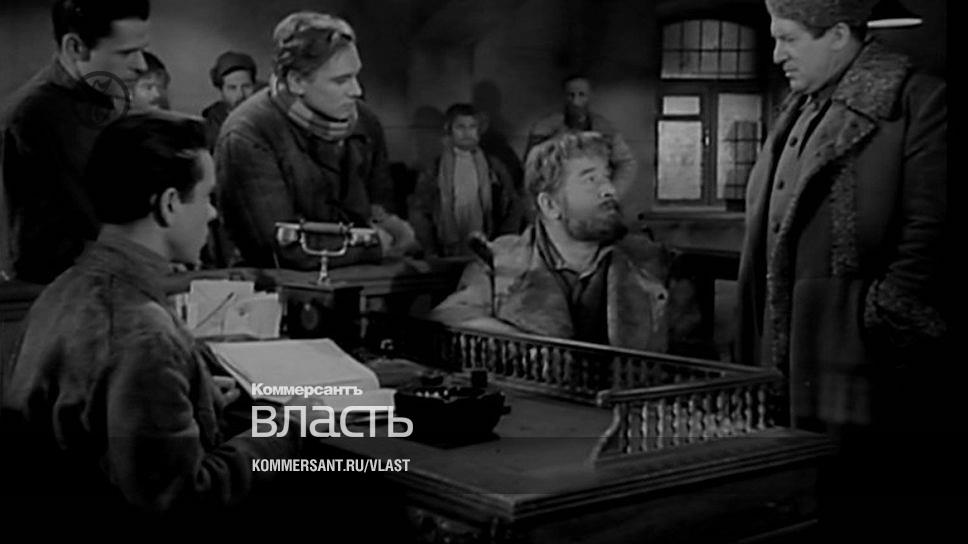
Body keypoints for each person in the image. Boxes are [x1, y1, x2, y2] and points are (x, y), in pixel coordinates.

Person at [0, 112, 300, 523]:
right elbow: (184, 497)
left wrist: (194, 393)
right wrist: (285, 428)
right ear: (169, 204)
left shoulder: (64, 289)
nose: (213, 214)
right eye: (207, 197)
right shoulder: (142, 331)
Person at [735, 0, 949, 535]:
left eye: (789, 39)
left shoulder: (916, 101)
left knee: (858, 499)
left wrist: (880, 315)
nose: (777, 54)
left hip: (854, 347)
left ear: (836, 35)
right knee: (789, 500)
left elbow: (933, 229)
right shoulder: (799, 106)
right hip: (786, 345)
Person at [430, 131, 701, 353]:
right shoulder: (499, 261)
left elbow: (692, 354)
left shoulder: (652, 263)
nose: (609, 190)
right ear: (550, 205)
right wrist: (526, 345)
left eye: (606, 177)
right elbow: (452, 316)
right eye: (590, 180)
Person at [216, 12, 416, 270]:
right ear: (297, 81)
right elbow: (279, 246)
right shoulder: (248, 132)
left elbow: (382, 206)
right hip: (278, 286)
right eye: (341, 80)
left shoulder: (365, 122)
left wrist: (392, 229)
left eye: (355, 76)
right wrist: (372, 245)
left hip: (362, 279)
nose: (356, 90)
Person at [0, 0, 150, 283]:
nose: (142, 65)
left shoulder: (110, 97)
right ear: (75, 47)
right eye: (126, 53)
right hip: (65, 289)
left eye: (142, 50)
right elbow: (52, 240)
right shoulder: (31, 117)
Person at [409, 103, 523, 257]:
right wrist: (430, 248)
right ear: (449, 130)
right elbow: (419, 210)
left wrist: (504, 242)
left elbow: (513, 204)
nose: (466, 133)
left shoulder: (493, 167)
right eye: (460, 127)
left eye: (472, 127)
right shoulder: (435, 168)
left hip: (488, 247)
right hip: (447, 250)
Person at [524, 75, 636, 201]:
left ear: (590, 96)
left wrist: (612, 192)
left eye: (581, 95)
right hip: (559, 197)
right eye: (571, 95)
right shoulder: (545, 129)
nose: (575, 101)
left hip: (594, 197)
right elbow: (532, 169)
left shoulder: (605, 130)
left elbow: (626, 163)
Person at [202, 51, 257, 150]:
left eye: (246, 86)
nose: (240, 95)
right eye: (232, 88)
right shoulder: (214, 121)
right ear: (221, 91)